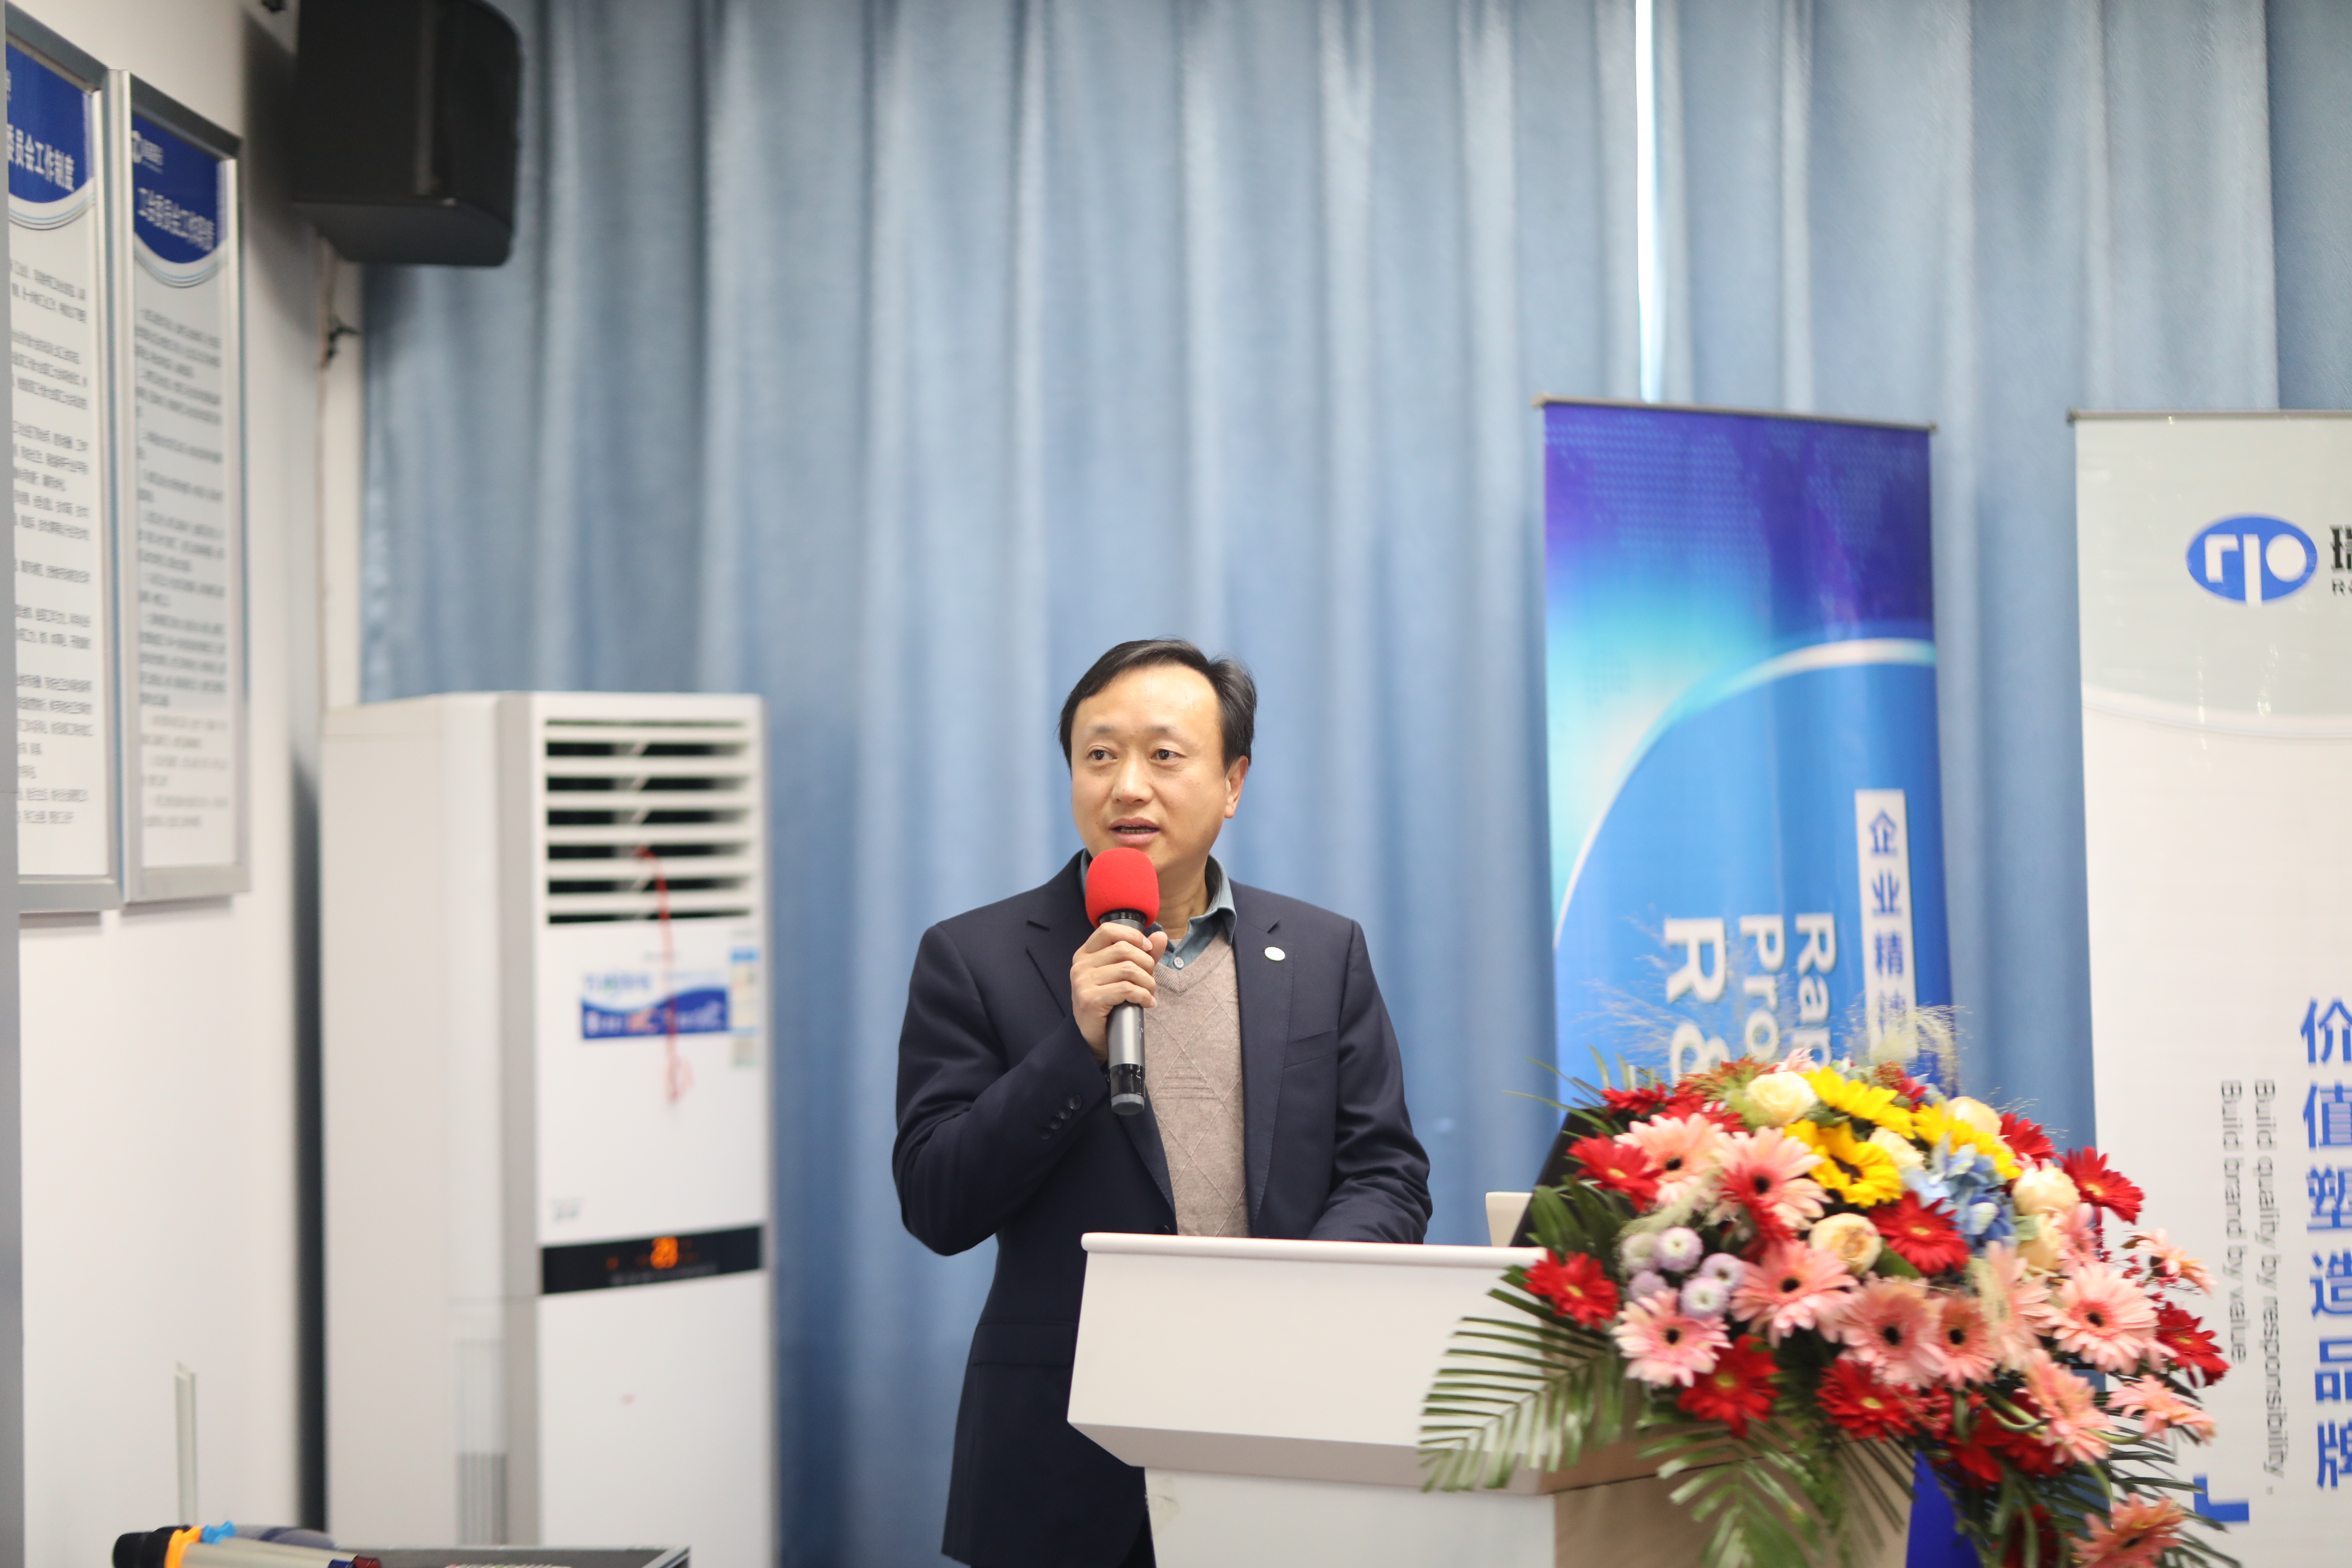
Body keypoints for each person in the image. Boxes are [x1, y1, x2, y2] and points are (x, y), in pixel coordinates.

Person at [893, 639, 1433, 1568]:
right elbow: (938, 1203)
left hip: (1290, 1420)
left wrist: (1306, 1293)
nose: (1128, 786)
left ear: (1233, 782)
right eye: (1100, 755)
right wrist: (1075, 1047)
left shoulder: (1322, 950)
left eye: (1165, 754)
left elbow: (1386, 1172)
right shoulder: (974, 956)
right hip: (1065, 1453)